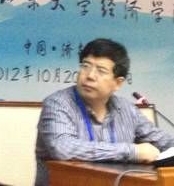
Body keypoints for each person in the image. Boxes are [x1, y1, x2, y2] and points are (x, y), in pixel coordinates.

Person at [35, 38, 174, 185]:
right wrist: (132, 152)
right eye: (85, 66)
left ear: (118, 83)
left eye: (101, 71)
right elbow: (63, 148)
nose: (89, 75)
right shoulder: (58, 103)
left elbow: (167, 143)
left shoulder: (127, 110)